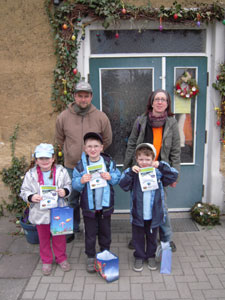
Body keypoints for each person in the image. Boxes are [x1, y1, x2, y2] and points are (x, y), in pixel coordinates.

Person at [123, 89, 181, 252]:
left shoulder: (172, 123)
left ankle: (166, 239)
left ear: (167, 103)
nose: (160, 102)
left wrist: (175, 173)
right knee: (139, 204)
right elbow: (132, 144)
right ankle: (138, 239)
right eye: (157, 99)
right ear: (152, 102)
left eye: (163, 99)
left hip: (160, 170)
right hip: (141, 168)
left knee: (160, 206)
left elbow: (176, 150)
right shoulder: (141, 120)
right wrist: (128, 167)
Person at [55, 81, 112, 242]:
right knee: (71, 198)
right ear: (74, 96)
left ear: (91, 97)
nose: (83, 99)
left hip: (94, 167)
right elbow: (59, 139)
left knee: (94, 198)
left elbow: (107, 139)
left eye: (86, 96)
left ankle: (93, 229)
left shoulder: (100, 116)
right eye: (80, 96)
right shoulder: (63, 117)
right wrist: (70, 151)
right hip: (71, 167)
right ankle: (72, 228)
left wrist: (93, 153)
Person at [120, 143, 178, 272]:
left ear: (153, 159)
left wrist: (161, 165)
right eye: (141, 159)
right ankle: (139, 256)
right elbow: (123, 185)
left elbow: (173, 175)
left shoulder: (158, 172)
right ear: (136, 159)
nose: (144, 162)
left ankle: (151, 255)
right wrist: (130, 171)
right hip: (138, 213)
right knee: (138, 237)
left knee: (152, 237)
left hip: (154, 213)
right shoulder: (134, 173)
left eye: (147, 159)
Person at [72, 132, 121, 273]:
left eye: (96, 146)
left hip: (105, 206)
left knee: (106, 232)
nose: (93, 149)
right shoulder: (81, 166)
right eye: (89, 146)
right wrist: (81, 181)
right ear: (85, 149)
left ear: (101, 147)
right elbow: (74, 183)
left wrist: (110, 176)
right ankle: (91, 256)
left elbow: (117, 177)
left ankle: (105, 253)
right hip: (89, 207)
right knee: (90, 233)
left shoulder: (108, 163)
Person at [20, 143, 72, 276]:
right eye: (41, 158)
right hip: (40, 212)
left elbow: (68, 185)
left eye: (47, 158)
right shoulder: (31, 175)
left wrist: (65, 191)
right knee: (43, 238)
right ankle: (46, 260)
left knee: (59, 237)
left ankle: (61, 258)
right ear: (36, 160)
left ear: (53, 158)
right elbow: (24, 191)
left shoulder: (61, 171)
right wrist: (31, 197)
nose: (45, 161)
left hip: (59, 210)